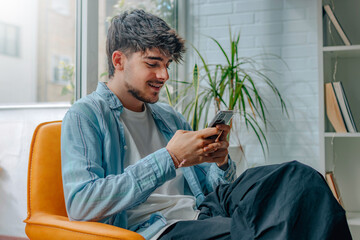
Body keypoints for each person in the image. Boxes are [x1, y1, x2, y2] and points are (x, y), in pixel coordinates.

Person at [61, 9, 351, 240]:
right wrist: (170, 157)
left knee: (300, 179)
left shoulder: (166, 116)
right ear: (119, 60)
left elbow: (212, 185)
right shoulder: (86, 115)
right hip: (158, 228)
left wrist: (221, 162)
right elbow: (82, 204)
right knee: (257, 232)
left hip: (204, 207)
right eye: (152, 63)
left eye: (167, 64)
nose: (164, 75)